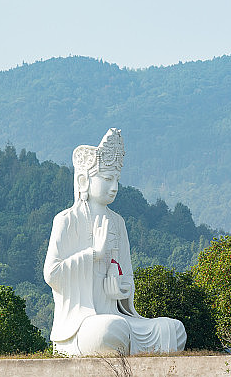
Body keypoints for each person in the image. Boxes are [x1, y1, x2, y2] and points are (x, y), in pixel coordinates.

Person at [43, 128, 187, 356]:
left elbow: (127, 277)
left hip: (118, 314)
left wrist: (121, 287)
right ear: (84, 180)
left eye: (117, 179)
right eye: (107, 178)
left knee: (173, 329)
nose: (114, 187)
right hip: (83, 322)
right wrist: (93, 254)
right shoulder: (66, 220)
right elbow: (52, 274)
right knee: (110, 330)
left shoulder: (117, 222)